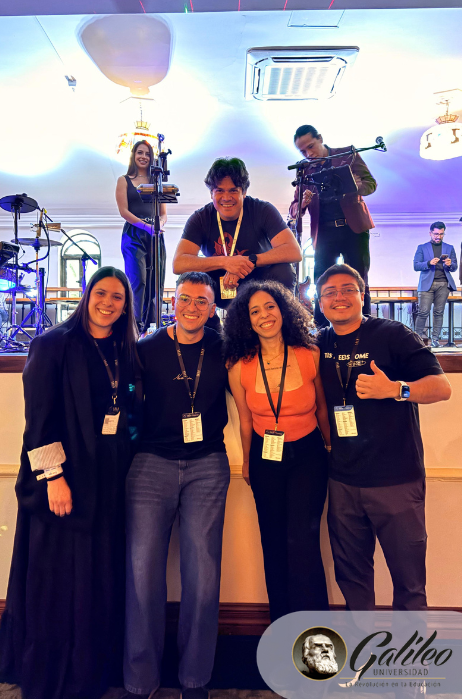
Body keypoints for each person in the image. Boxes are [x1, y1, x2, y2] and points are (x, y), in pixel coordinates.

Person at [0, 266, 139, 699]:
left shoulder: (123, 348)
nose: (108, 303)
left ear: (126, 306)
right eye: (101, 294)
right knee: (58, 583)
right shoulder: (52, 344)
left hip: (106, 482)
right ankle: (54, 677)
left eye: (117, 297)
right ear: (86, 295)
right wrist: (55, 479)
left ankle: (89, 672)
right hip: (62, 481)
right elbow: (38, 420)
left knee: (95, 579)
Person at [316, 263, 452, 611]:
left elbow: (441, 388)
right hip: (342, 481)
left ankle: (410, 645)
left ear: (362, 295)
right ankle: (362, 643)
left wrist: (396, 389)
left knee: (409, 582)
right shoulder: (318, 343)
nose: (339, 297)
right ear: (320, 302)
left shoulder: (393, 334)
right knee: (353, 580)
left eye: (348, 289)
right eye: (330, 292)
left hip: (397, 481)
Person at [124, 271, 230, 699]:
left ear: (212, 308)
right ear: (173, 301)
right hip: (150, 465)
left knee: (203, 576)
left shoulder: (224, 348)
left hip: (208, 466)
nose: (192, 308)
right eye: (185, 299)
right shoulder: (146, 349)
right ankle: (140, 680)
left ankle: (195, 679)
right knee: (142, 574)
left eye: (202, 301)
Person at [224, 280, 331, 622]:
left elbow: (322, 409)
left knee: (303, 542)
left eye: (270, 306)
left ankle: (314, 631)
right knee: (273, 542)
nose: (264, 315)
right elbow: (244, 420)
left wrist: (330, 446)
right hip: (264, 458)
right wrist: (246, 462)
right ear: (246, 320)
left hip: (308, 456)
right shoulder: (238, 366)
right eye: (254, 311)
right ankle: (282, 627)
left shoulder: (310, 353)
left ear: (283, 310)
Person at [173, 157, 301, 309]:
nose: (226, 198)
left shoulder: (262, 210)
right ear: (211, 193)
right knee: (189, 277)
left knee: (284, 271)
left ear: (244, 192)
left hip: (259, 281)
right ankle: (207, 323)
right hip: (220, 284)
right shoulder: (200, 218)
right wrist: (226, 262)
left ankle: (279, 321)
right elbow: (179, 264)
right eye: (219, 190)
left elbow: (294, 251)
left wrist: (247, 262)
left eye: (233, 190)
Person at [289, 125, 377, 326]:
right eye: (302, 152)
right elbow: (293, 210)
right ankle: (321, 329)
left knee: (360, 278)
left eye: (311, 146)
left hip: (354, 229)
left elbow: (371, 184)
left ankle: (365, 326)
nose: (308, 154)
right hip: (324, 232)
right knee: (321, 279)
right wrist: (302, 203)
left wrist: (357, 186)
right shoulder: (304, 170)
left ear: (320, 138)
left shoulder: (348, 155)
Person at [116, 140, 167, 332]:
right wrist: (146, 226)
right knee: (138, 281)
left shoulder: (157, 182)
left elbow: (163, 214)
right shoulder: (123, 180)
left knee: (156, 282)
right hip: (134, 234)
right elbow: (124, 211)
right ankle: (134, 327)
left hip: (155, 235)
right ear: (133, 155)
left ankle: (153, 327)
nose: (143, 157)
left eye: (147, 153)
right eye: (140, 152)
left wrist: (158, 226)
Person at [413, 221, 457, 347]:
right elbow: (416, 265)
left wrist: (450, 264)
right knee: (423, 312)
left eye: (441, 234)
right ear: (430, 233)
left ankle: (435, 340)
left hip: (443, 284)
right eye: (436, 234)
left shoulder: (449, 247)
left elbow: (455, 267)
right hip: (427, 284)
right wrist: (428, 263)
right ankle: (416, 340)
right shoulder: (422, 247)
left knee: (439, 312)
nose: (438, 237)